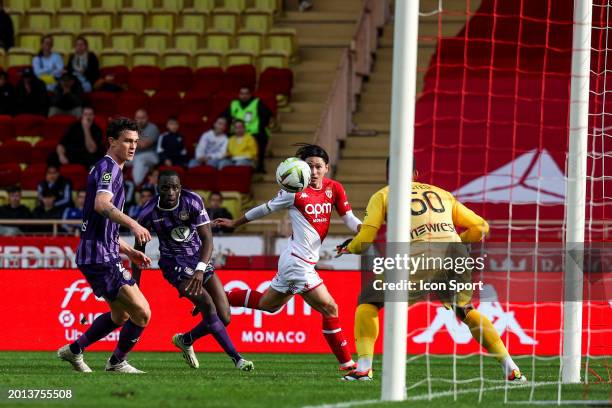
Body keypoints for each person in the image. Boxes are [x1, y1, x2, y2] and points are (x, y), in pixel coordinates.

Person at [335, 158, 527, 382]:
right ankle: (511, 368)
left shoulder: (384, 195)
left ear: (389, 174)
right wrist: (457, 240)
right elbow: (481, 226)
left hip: (421, 256)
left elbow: (365, 240)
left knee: (368, 301)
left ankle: (364, 368)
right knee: (466, 311)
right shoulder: (442, 193)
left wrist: (350, 247)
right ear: (415, 172)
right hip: (456, 254)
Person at [214, 144, 361, 371]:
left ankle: (218, 297)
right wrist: (235, 223)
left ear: (327, 168)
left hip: (299, 260)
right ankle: (348, 364)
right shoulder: (293, 192)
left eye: (318, 167)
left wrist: (363, 229)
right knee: (330, 308)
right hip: (297, 263)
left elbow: (349, 218)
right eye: (309, 166)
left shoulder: (335, 189)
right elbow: (264, 209)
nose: (313, 171)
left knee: (268, 305)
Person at [57, 117, 153, 374]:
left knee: (120, 316)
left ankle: (75, 349)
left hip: (102, 252)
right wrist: (134, 224)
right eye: (127, 141)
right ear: (112, 141)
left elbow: (100, 225)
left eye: (135, 141)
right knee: (142, 313)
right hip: (100, 257)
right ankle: (117, 362)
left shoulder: (111, 169)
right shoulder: (109, 169)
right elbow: (101, 204)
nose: (133, 146)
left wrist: (128, 250)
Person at [133, 170, 254, 371]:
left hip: (199, 259)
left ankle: (186, 339)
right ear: (158, 189)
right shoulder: (148, 212)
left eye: (175, 187)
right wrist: (135, 286)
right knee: (208, 305)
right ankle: (237, 359)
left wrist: (199, 269)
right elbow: (138, 251)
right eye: (166, 188)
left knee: (224, 317)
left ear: (180, 187)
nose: (171, 192)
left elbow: (207, 239)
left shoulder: (193, 200)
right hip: (174, 264)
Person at [222, 87, 273, 173]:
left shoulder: (257, 103)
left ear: (250, 95)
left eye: (246, 94)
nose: (244, 96)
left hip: (254, 132)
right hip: (236, 132)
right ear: (239, 95)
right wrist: (231, 120)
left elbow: (267, 115)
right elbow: (223, 116)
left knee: (260, 138)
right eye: (242, 93)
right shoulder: (234, 104)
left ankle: (258, 167)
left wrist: (261, 126)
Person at [130, 109, 160, 185]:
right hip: (134, 155)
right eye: (138, 118)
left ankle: (137, 185)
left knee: (139, 160)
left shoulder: (153, 128)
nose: (140, 120)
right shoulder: (132, 128)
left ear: (147, 118)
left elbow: (143, 145)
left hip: (151, 155)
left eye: (142, 118)